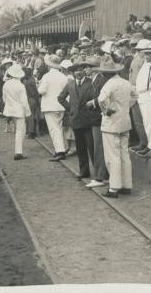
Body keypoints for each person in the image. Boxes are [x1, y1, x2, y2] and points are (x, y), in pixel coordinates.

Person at [87, 57, 137, 198]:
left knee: (112, 156)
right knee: (124, 154)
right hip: (125, 122)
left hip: (111, 124)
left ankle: (114, 187)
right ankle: (127, 185)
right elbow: (135, 95)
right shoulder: (125, 82)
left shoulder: (109, 84)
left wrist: (106, 110)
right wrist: (126, 107)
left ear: (105, 73)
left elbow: (102, 99)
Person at [58, 61, 96, 181]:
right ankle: (84, 171)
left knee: (92, 147)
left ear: (85, 70)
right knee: (80, 148)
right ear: (72, 73)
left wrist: (91, 109)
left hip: (89, 119)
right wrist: (71, 109)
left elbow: (97, 98)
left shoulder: (91, 83)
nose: (78, 73)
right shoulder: (70, 85)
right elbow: (60, 98)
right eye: (75, 71)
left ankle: (99, 174)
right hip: (76, 119)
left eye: (80, 70)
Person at [38, 54, 69, 161]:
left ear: (49, 66)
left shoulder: (46, 76)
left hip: (50, 106)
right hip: (61, 106)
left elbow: (41, 91)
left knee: (54, 129)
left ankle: (60, 151)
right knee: (59, 128)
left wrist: (38, 85)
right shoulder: (63, 77)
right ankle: (63, 148)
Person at [84, 56, 109, 188]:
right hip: (94, 118)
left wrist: (93, 103)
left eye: (88, 67)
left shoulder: (100, 80)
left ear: (94, 69)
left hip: (98, 118)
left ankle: (100, 177)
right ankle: (101, 175)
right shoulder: (94, 80)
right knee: (97, 147)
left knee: (99, 148)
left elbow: (101, 99)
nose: (86, 69)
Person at [3, 64, 31, 160]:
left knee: (18, 130)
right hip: (19, 110)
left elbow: (4, 98)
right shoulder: (20, 86)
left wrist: (9, 105)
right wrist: (28, 113)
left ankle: (18, 151)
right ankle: (18, 152)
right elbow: (24, 101)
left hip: (10, 110)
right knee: (20, 131)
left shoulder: (6, 84)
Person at [22, 67, 40, 139]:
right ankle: (32, 131)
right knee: (32, 115)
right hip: (32, 99)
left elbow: (33, 93)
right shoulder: (31, 80)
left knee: (30, 116)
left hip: (31, 99)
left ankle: (31, 132)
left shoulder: (28, 81)